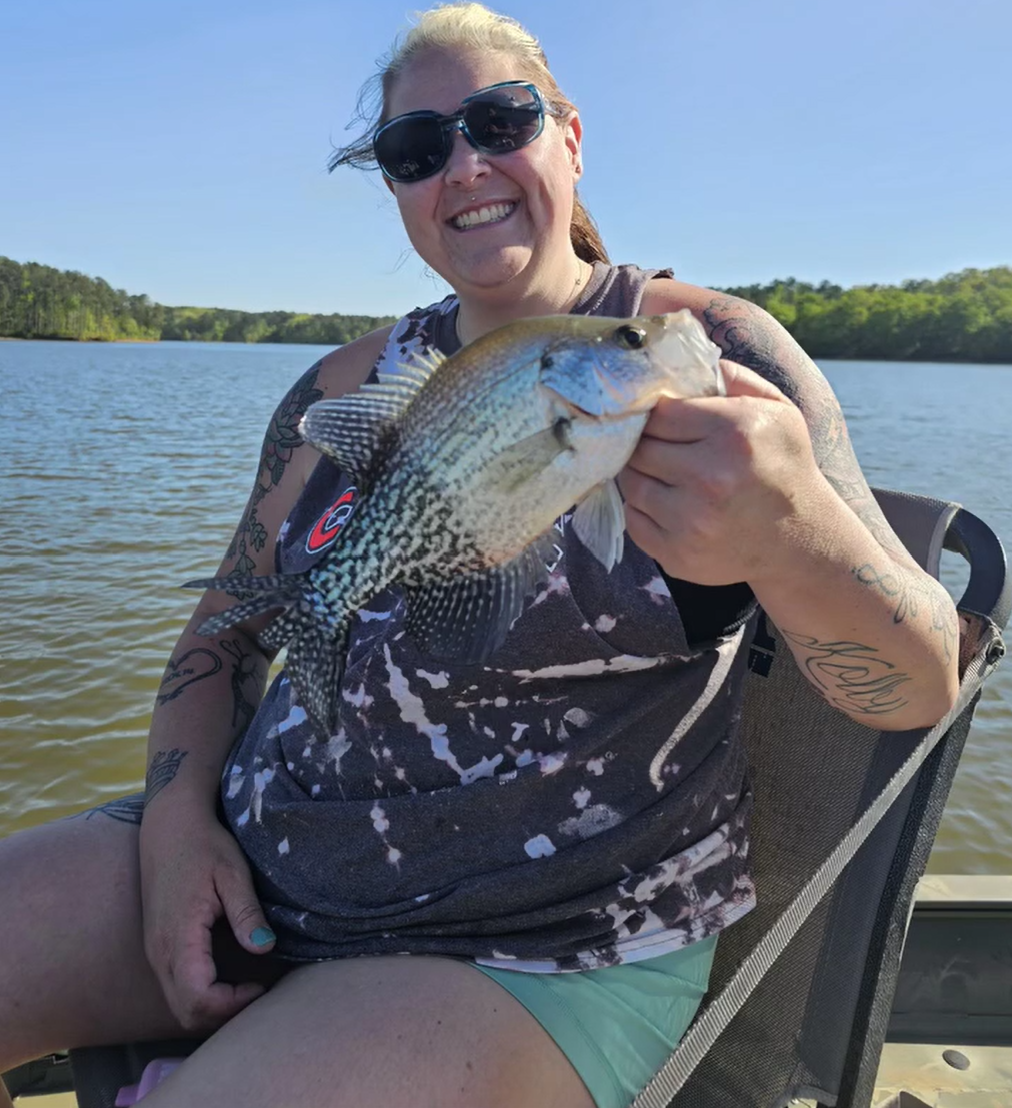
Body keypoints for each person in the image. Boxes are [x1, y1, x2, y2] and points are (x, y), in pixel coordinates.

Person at [0, 5, 960, 1107]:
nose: (463, 166)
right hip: (261, 861)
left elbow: (921, 679)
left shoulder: (710, 351)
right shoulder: (338, 387)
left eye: (499, 122)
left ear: (570, 135)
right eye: (417, 150)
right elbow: (224, 629)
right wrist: (175, 833)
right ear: (399, 187)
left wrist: (787, 533)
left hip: (530, 943)